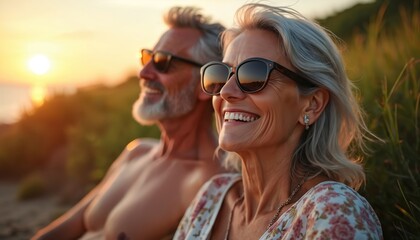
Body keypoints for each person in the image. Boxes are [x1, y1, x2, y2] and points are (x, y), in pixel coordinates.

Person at [174, 3, 383, 239]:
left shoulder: (334, 211)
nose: (225, 92)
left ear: (312, 104)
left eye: (253, 75)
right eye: (221, 74)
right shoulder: (212, 197)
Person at [32, 6, 226, 240]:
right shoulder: (136, 152)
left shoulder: (211, 181)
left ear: (207, 85)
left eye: (163, 62)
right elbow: (71, 224)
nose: (144, 72)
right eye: (147, 57)